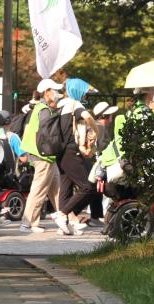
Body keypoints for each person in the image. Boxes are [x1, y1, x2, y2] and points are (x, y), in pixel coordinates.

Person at [19, 79, 64, 234]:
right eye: (55, 90)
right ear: (46, 92)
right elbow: (48, 134)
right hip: (43, 156)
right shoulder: (44, 110)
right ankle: (28, 223)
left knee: (57, 190)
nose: (57, 94)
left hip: (43, 155)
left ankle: (66, 219)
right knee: (39, 190)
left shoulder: (40, 108)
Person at [55, 97, 100, 234]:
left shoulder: (61, 107)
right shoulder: (75, 104)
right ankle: (62, 214)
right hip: (70, 152)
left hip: (60, 152)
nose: (86, 96)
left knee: (66, 189)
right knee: (87, 186)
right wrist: (96, 130)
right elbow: (87, 116)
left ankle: (64, 226)